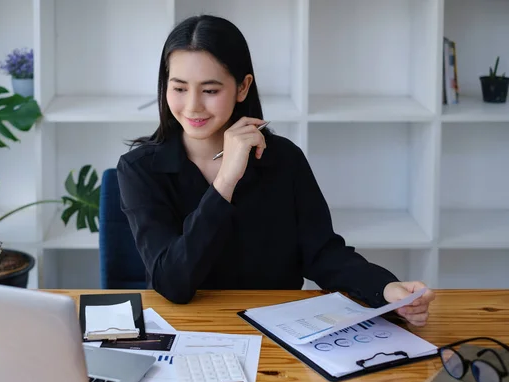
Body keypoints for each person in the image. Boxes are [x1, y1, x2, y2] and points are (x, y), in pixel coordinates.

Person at [116, 15, 435, 326]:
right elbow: (173, 283)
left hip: (279, 332)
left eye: (210, 90)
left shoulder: (283, 159)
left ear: (242, 88)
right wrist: (225, 181)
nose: (193, 105)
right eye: (180, 88)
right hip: (186, 330)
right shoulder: (140, 169)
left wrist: (386, 289)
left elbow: (323, 254)